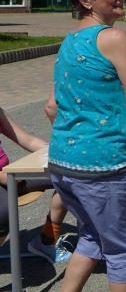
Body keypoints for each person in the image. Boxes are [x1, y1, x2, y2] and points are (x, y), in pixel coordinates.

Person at [47, 0, 126, 292]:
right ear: (86, 0)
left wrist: (77, 137)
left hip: (63, 164)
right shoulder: (113, 38)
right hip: (103, 167)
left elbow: (51, 106)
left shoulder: (69, 41)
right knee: (122, 250)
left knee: (92, 236)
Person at [0, 106, 72, 263]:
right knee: (3, 212)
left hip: (9, 175)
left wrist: (61, 153)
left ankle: (46, 241)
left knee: (71, 177)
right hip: (5, 177)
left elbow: (28, 140)